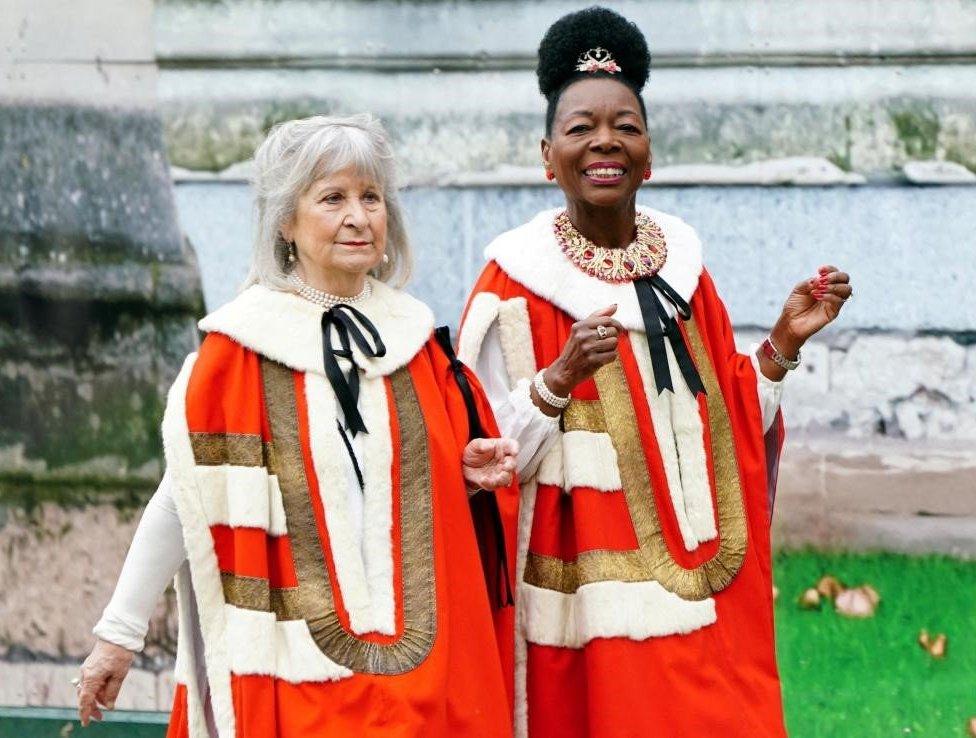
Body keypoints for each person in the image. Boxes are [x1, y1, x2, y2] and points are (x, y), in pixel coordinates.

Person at [457, 8, 852, 738]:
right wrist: (556, 379)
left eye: (625, 126)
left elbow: (724, 427)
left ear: (649, 155)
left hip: (699, 595)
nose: (604, 140)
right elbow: (480, 457)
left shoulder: (684, 273)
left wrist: (780, 351)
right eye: (580, 128)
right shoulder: (512, 288)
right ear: (548, 156)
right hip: (582, 619)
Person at [76, 114, 520, 738]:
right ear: (285, 220)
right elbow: (186, 497)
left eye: (371, 198)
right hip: (291, 674)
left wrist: (466, 473)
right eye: (332, 198)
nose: (358, 216)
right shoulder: (241, 347)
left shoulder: (416, 340)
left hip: (426, 670)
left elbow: (408, 498)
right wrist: (118, 634)